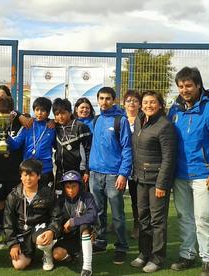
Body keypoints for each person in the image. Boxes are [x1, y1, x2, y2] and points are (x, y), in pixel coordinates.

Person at [168, 67, 209, 276]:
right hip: (179, 175)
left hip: (204, 175)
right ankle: (187, 254)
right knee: (184, 217)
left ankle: (208, 259)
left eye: (188, 85)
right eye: (180, 86)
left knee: (203, 218)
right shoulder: (174, 110)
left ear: (198, 85)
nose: (184, 90)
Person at [130, 91, 178, 273]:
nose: (148, 105)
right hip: (139, 179)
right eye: (145, 102)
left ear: (160, 105)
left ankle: (157, 258)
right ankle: (144, 253)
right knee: (143, 219)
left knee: (157, 221)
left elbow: (169, 158)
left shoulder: (165, 126)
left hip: (156, 181)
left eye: (152, 102)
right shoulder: (139, 120)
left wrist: (161, 184)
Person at [89, 86, 133, 264]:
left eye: (108, 98)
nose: (104, 102)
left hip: (114, 175)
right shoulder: (96, 120)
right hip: (95, 174)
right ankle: (100, 241)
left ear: (114, 100)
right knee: (98, 212)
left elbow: (128, 149)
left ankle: (121, 246)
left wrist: (123, 174)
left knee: (117, 215)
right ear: (98, 100)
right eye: (101, 98)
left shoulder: (120, 120)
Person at [4, 159, 62, 271]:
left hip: (40, 228)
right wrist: (13, 244)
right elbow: (8, 222)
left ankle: (47, 254)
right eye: (25, 175)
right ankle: (30, 253)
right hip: (22, 231)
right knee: (19, 265)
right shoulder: (13, 196)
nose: (28, 179)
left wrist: (52, 230)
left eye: (31, 175)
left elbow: (57, 216)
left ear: (39, 176)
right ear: (20, 176)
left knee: (42, 239)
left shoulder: (47, 193)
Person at [0, 96, 25, 244]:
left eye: (7, 112)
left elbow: (17, 144)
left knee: (15, 201)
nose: (3, 115)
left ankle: (15, 228)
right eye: (0, 112)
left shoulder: (19, 122)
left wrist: (20, 116)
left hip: (15, 170)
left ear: (12, 111)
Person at [52, 170, 98, 276]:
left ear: (80, 186)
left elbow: (93, 215)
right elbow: (54, 219)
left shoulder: (87, 197)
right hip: (68, 237)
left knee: (84, 225)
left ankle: (87, 268)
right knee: (57, 255)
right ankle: (72, 258)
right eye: (67, 187)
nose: (71, 190)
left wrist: (73, 221)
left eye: (74, 186)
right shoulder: (59, 201)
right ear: (63, 187)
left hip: (85, 235)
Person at [7, 97, 56, 188]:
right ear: (33, 110)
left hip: (45, 169)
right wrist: (5, 135)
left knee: (46, 199)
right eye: (37, 110)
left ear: (48, 113)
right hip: (29, 170)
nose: (40, 113)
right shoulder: (28, 125)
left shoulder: (52, 127)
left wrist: (54, 121)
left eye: (43, 110)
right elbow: (16, 145)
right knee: (28, 198)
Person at [53, 98, 92, 193]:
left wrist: (87, 171)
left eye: (63, 113)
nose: (60, 117)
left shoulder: (80, 127)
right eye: (57, 114)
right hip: (60, 172)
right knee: (60, 202)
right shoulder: (55, 127)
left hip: (78, 172)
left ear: (70, 112)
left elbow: (89, 150)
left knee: (78, 202)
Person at [123, 90, 142, 239]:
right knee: (115, 196)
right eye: (129, 100)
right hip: (121, 164)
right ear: (124, 104)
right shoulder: (118, 119)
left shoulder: (144, 120)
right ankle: (119, 221)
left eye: (135, 100)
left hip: (137, 165)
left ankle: (137, 224)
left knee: (136, 197)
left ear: (139, 104)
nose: (132, 103)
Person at [74, 98, 96, 188]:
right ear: (76, 109)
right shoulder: (71, 123)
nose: (85, 110)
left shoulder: (95, 122)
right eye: (82, 107)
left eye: (87, 108)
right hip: (75, 164)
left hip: (92, 162)